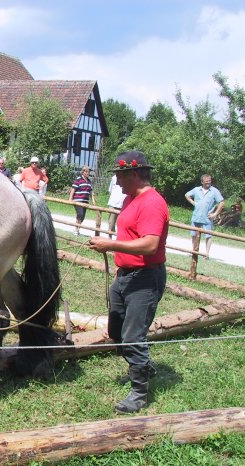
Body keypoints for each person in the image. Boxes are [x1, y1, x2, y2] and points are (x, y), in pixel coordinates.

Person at [88, 151, 168, 414]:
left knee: (133, 336)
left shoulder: (152, 203)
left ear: (134, 174)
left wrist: (109, 244)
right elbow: (131, 234)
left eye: (120, 176)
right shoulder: (129, 199)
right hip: (126, 276)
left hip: (144, 279)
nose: (117, 181)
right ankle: (144, 366)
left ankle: (139, 393)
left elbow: (150, 244)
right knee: (118, 331)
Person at [185, 174, 224, 258]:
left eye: (209, 181)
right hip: (196, 216)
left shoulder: (214, 191)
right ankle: (194, 251)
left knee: (208, 236)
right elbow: (187, 195)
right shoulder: (196, 189)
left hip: (207, 217)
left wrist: (215, 214)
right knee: (194, 234)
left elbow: (221, 203)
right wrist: (193, 203)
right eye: (206, 181)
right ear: (202, 182)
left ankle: (206, 254)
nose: (208, 183)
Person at [69, 166, 96, 235]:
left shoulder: (89, 181)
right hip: (78, 200)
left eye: (88, 172)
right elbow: (73, 189)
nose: (87, 173)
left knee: (83, 216)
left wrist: (93, 201)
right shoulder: (78, 179)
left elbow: (91, 191)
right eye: (86, 171)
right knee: (80, 214)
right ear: (83, 172)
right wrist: (70, 198)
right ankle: (75, 229)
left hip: (85, 201)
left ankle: (78, 229)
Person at [107, 174, 127, 239]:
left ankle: (119, 238)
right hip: (113, 203)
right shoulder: (113, 178)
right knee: (111, 222)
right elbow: (110, 190)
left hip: (122, 204)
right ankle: (109, 238)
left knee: (121, 223)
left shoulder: (127, 177)